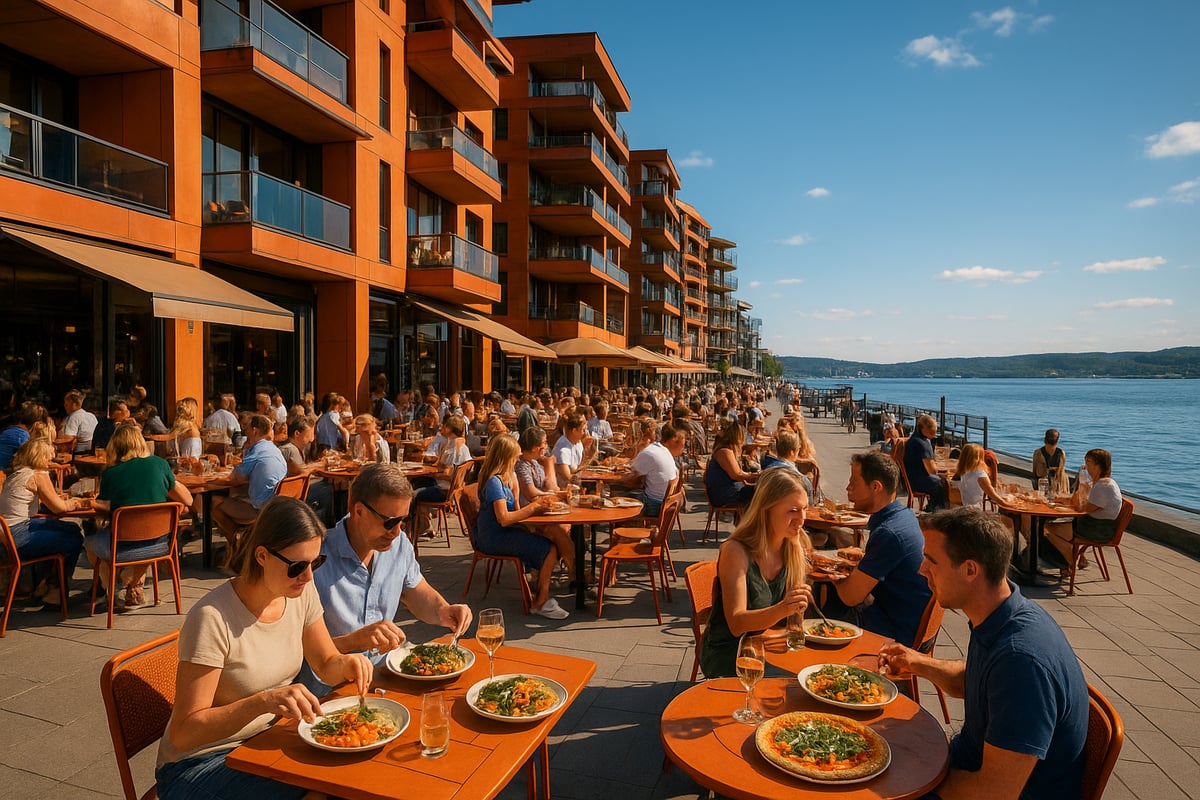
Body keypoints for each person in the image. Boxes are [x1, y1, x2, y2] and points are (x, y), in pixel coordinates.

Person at [155, 496, 372, 799]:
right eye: (297, 565)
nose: (309, 576)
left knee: (351, 766)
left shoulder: (300, 591)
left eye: (316, 562)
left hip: (261, 743)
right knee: (331, 782)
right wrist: (263, 702)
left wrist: (348, 664)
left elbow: (325, 662)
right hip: (198, 764)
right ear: (261, 556)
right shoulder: (212, 617)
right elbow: (184, 732)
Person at [878, 507, 1088, 799]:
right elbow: (978, 681)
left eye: (931, 561)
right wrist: (919, 663)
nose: (921, 570)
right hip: (962, 765)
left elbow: (993, 792)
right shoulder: (1004, 615)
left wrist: (918, 775)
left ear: (969, 570)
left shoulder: (1020, 662)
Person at [296, 463, 472, 696]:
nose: (397, 531)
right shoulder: (315, 558)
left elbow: (417, 592)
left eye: (403, 521)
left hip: (387, 673)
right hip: (329, 689)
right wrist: (354, 641)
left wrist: (445, 611)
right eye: (390, 522)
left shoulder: (398, 545)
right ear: (358, 511)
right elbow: (295, 649)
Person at [699, 468, 813, 678]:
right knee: (795, 686)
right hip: (729, 653)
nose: (802, 519)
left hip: (768, 645)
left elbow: (793, 619)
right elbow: (736, 623)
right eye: (793, 510)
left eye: (804, 509)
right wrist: (783, 608)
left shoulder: (792, 545)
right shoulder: (736, 550)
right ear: (766, 509)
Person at [85, 425, 193, 609]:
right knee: (144, 533)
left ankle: (112, 589)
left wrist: (90, 503)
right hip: (160, 544)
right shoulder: (160, 464)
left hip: (122, 547)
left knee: (89, 542)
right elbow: (188, 500)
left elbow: (104, 509)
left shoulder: (111, 473)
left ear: (115, 446)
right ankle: (135, 585)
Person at [829, 452, 932, 646]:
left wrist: (835, 577)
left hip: (898, 633)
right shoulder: (905, 516)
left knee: (823, 600)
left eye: (854, 483)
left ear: (876, 487)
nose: (847, 488)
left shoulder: (889, 533)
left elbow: (850, 597)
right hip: (914, 622)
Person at [475, 435, 566, 619]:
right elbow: (504, 519)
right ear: (506, 458)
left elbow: (516, 511)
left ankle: (540, 594)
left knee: (550, 541)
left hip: (504, 532)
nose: (517, 461)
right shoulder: (494, 482)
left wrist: (534, 516)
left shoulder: (506, 479)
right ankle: (540, 602)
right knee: (550, 549)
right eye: (514, 458)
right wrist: (533, 508)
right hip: (493, 538)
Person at [0, 439, 85, 598]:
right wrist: (77, 503)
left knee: (71, 529)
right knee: (73, 540)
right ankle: (54, 589)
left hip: (7, 534)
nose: (51, 459)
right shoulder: (37, 475)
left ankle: (45, 582)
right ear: (38, 456)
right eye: (48, 456)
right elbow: (59, 508)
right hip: (18, 537)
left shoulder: (17, 473)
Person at [211, 415, 288, 554]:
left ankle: (238, 546)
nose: (244, 432)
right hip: (277, 505)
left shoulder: (258, 451)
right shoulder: (273, 449)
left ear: (254, 431)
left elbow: (235, 478)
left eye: (246, 428)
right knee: (236, 494)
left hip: (261, 510)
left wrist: (211, 480)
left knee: (214, 503)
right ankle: (243, 542)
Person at [1045, 448, 1122, 571]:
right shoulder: (1098, 484)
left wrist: (1082, 485)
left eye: (1089, 462)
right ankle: (1075, 560)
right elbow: (1079, 502)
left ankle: (1071, 559)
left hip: (1098, 530)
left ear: (1099, 465)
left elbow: (1081, 509)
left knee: (1046, 529)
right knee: (1052, 527)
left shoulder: (1103, 486)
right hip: (1094, 525)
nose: (1085, 467)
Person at [613, 420, 685, 517]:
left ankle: (615, 525)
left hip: (654, 506)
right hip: (667, 505)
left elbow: (629, 478)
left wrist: (612, 480)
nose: (683, 449)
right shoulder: (664, 452)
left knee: (613, 496)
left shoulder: (650, 452)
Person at [703, 420, 757, 509]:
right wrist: (754, 475)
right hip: (725, 495)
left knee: (760, 491)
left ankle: (747, 519)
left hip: (726, 491)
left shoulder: (725, 450)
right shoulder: (725, 452)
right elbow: (736, 475)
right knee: (763, 493)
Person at [902, 414, 949, 510]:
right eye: (933, 429)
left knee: (941, 480)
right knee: (944, 483)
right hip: (917, 482)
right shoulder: (922, 444)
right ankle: (938, 509)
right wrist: (942, 470)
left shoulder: (914, 439)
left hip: (909, 479)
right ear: (925, 428)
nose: (935, 431)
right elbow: (932, 470)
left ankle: (933, 506)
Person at [551, 413, 597, 485]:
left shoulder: (577, 443)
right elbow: (568, 478)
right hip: (565, 489)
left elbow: (577, 470)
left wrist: (588, 455)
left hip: (577, 482)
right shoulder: (562, 450)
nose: (586, 433)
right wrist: (588, 457)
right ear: (574, 431)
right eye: (583, 430)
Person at [62, 391, 98, 455]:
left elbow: (68, 439)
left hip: (78, 453)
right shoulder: (92, 416)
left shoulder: (73, 417)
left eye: (66, 404)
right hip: (92, 451)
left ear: (74, 404)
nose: (64, 406)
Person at [1032, 429, 1067, 494]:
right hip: (1056, 484)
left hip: (1042, 483)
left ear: (1045, 440)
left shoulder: (1038, 452)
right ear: (1057, 441)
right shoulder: (1062, 453)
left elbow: (1035, 470)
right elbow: (1061, 470)